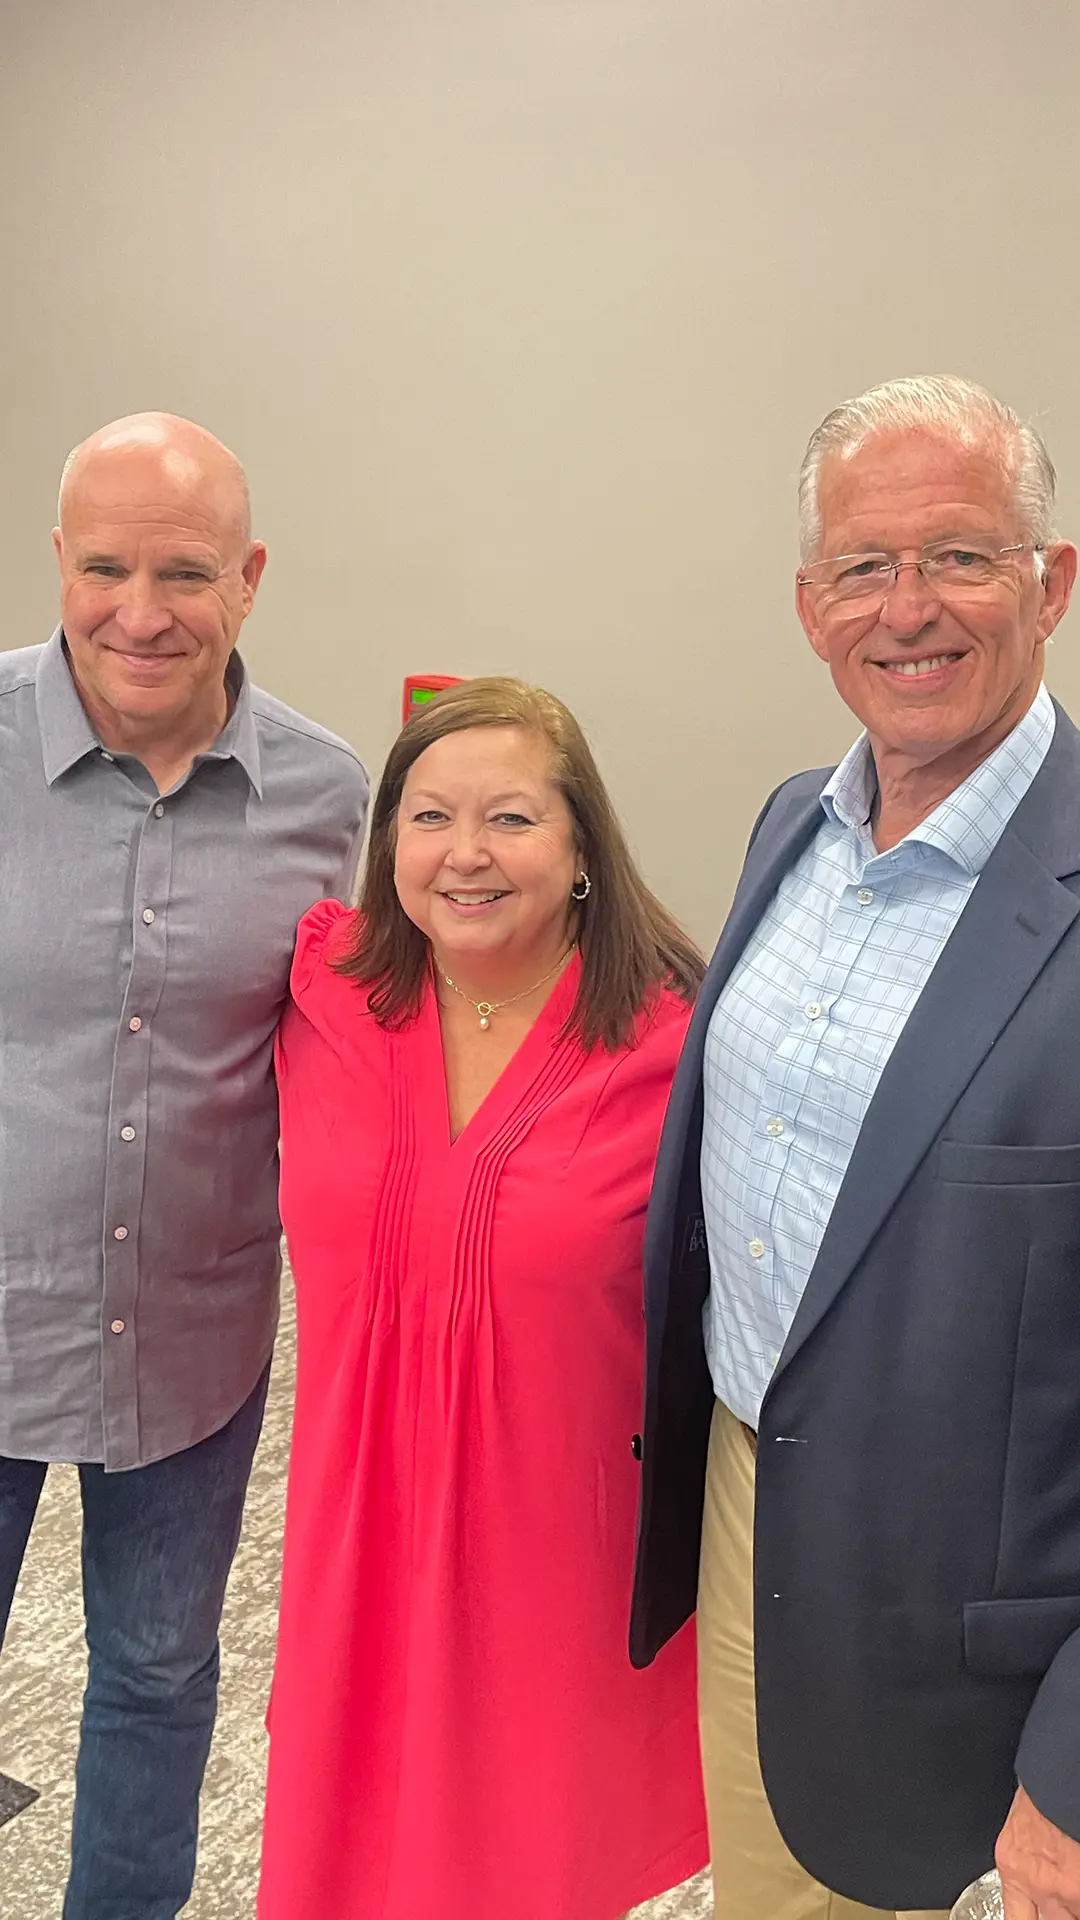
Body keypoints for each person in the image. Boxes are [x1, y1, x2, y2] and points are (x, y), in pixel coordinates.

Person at [631, 374, 1080, 1920]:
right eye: (863, 568)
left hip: (982, 1612)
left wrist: (1074, 1768)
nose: (907, 610)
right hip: (751, 1502)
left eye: (958, 556)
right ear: (810, 607)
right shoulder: (793, 829)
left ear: (1051, 583)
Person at [257, 677, 708, 1920]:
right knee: (345, 1836)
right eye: (429, 817)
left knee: (524, 1852)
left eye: (511, 818)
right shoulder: (326, 991)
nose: (465, 853)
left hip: (553, 1542)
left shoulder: (675, 1047)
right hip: (355, 1521)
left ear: (583, 852)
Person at [0, 412, 369, 1919]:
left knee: (157, 1678)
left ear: (251, 576)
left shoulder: (327, 796)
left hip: (192, 1335)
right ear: (59, 562)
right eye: (105, 569)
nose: (140, 614)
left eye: (186, 573)